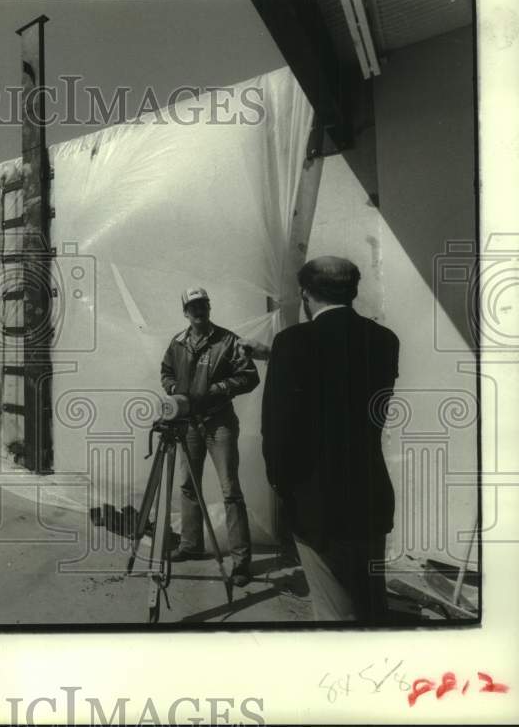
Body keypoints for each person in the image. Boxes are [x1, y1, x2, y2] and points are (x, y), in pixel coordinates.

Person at [261, 256, 399, 623]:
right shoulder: (385, 340)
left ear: (305, 294)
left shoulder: (291, 342)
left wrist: (282, 485)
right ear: (353, 291)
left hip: (317, 502)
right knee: (371, 607)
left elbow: (278, 432)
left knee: (334, 615)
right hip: (370, 494)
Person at [160, 287, 260, 586]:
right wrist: (174, 391)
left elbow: (249, 376)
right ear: (185, 312)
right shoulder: (177, 342)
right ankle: (191, 545)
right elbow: (165, 372)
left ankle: (241, 563)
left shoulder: (228, 341)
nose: (199, 310)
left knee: (230, 490)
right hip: (188, 423)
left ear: (209, 307)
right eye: (193, 306)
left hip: (219, 423)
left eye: (203, 304)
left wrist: (215, 391)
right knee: (188, 485)